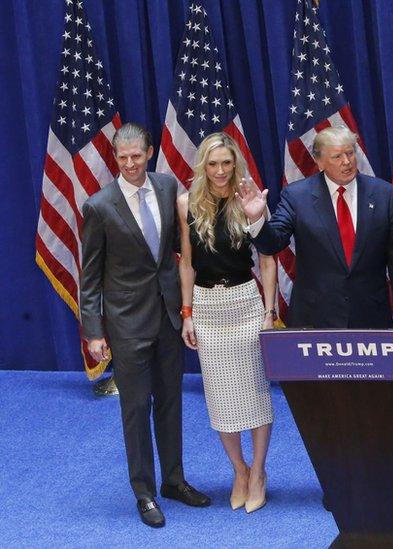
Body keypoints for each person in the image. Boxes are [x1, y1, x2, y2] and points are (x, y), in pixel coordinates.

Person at [80, 123, 211, 528]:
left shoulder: (169, 187)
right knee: (136, 408)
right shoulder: (99, 206)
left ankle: (174, 480)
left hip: (169, 316)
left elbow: (179, 247)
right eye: (123, 158)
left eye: (137, 156)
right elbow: (90, 275)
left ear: (149, 152)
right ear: (115, 160)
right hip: (126, 322)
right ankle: (144, 492)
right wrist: (94, 331)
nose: (131, 164)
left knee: (171, 402)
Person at [177, 133, 276, 514]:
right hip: (206, 307)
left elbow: (267, 260)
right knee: (220, 398)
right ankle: (239, 470)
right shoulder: (187, 203)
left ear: (236, 164)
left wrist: (269, 312)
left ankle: (259, 473)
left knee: (254, 392)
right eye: (213, 164)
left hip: (246, 304)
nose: (220, 171)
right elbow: (186, 262)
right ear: (204, 165)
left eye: (227, 163)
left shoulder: (249, 200)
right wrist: (187, 313)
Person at [237, 125, 393, 331]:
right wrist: (257, 218)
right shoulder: (297, 196)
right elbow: (272, 243)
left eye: (350, 153)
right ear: (319, 162)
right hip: (315, 318)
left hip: (370, 315)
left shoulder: (383, 194)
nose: (347, 162)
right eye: (337, 157)